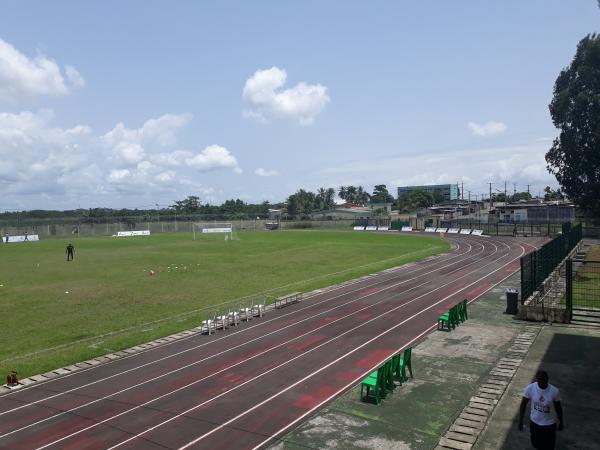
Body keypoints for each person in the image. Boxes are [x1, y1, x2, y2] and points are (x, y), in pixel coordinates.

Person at [519, 370, 564, 449]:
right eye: (540, 379)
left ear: (547, 379)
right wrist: (520, 420)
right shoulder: (530, 388)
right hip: (535, 422)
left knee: (548, 446)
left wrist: (561, 421)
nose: (542, 381)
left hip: (549, 424)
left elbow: (558, 408)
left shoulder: (554, 391)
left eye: (544, 379)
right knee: (536, 444)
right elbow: (523, 404)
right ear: (537, 380)